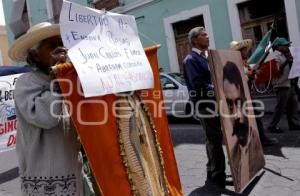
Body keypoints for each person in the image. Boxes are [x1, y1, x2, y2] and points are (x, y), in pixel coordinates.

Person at [8, 22, 84, 195]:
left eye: (60, 42)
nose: (60, 49)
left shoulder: (69, 80)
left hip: (72, 170)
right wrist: (58, 84)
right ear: (35, 54)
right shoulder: (27, 82)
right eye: (52, 45)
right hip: (44, 179)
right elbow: (46, 118)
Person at [183, 26, 227, 188]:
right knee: (214, 138)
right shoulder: (191, 60)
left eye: (207, 34)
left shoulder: (208, 56)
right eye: (203, 35)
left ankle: (212, 169)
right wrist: (219, 89)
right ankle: (218, 174)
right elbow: (198, 86)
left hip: (215, 103)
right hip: (205, 105)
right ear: (195, 40)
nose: (208, 37)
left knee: (213, 138)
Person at [222, 61, 265, 191]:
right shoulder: (234, 151)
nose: (235, 114)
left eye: (238, 102)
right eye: (229, 104)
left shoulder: (255, 142)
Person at [230, 39, 278, 146]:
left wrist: (254, 74)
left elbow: (249, 77)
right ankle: (252, 140)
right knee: (247, 119)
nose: (246, 51)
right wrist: (249, 76)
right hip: (241, 96)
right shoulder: (235, 64)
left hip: (248, 95)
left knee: (255, 117)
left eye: (245, 49)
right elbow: (238, 80)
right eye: (243, 50)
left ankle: (260, 139)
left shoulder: (245, 62)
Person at [268, 38, 300, 133]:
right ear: (278, 46)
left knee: (293, 105)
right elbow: (276, 71)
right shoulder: (275, 56)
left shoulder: (285, 55)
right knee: (280, 108)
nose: (287, 47)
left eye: (287, 45)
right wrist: (287, 61)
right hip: (281, 85)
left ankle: (293, 124)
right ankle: (272, 126)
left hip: (289, 83)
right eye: (285, 45)